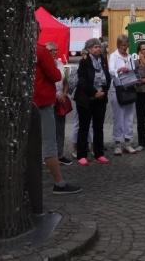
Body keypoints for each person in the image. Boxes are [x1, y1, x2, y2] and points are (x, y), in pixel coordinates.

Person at [33, 40, 81, 194]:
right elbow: (55, 75)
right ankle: (59, 183)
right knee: (49, 143)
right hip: (42, 102)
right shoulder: (39, 51)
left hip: (29, 102)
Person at [75, 38, 110, 165]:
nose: (98, 49)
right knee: (84, 127)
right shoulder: (84, 61)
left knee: (98, 127)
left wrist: (103, 92)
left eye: (99, 46)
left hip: (101, 99)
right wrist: (94, 92)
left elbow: (107, 77)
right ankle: (81, 154)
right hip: (86, 99)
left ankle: (99, 153)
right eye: (95, 47)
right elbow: (82, 81)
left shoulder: (103, 60)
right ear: (89, 49)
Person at [108, 34, 138, 155]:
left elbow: (133, 71)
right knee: (118, 117)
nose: (124, 48)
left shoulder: (130, 57)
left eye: (126, 45)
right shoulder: (113, 56)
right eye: (122, 46)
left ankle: (128, 142)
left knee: (129, 116)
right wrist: (119, 70)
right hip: (118, 89)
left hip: (129, 88)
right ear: (118, 45)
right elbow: (111, 70)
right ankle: (118, 143)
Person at [48, 42, 72, 166]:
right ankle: (48, 156)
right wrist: (56, 95)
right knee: (49, 130)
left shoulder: (60, 64)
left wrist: (64, 93)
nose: (54, 52)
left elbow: (66, 81)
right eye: (51, 50)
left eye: (55, 50)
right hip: (49, 100)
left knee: (60, 128)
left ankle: (60, 154)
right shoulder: (43, 66)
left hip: (61, 98)